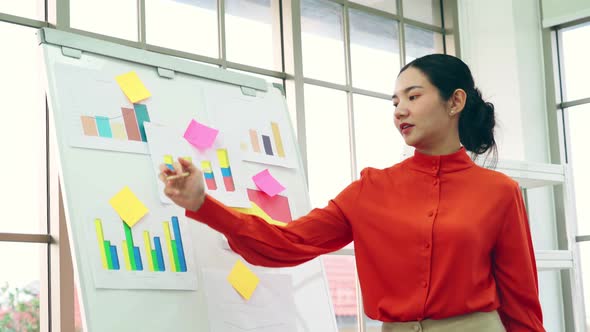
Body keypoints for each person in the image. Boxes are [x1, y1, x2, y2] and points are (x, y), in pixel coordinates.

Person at [159, 54, 544, 332]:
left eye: (413, 97)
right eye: (395, 102)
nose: (400, 111)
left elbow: (522, 304)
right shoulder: (370, 189)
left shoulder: (499, 192)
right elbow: (287, 243)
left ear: (455, 102)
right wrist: (202, 204)